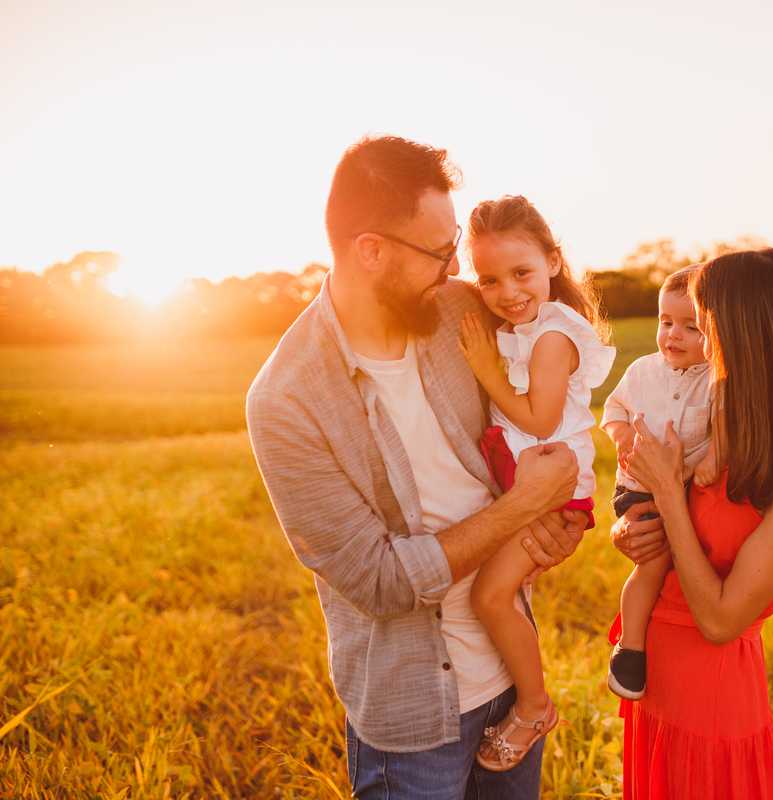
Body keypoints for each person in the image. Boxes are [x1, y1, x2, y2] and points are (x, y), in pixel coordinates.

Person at [246, 135, 587, 800]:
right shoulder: (286, 400)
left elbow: (547, 410)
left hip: (513, 678)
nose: (458, 265)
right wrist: (522, 507)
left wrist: (558, 524)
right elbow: (378, 583)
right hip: (411, 718)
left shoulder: (462, 312)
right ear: (370, 251)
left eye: (454, 239)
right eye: (439, 251)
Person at [611, 248, 773, 800]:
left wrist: (671, 494)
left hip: (712, 698)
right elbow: (668, 523)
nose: (691, 341)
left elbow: (721, 620)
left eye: (703, 325)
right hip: (654, 676)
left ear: (745, 332)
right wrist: (628, 534)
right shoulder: (715, 420)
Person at [456, 195, 616, 770]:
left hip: (552, 490)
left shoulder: (553, 335)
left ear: (552, 261)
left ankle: (533, 705)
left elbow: (538, 419)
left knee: (490, 596)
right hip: (530, 486)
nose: (507, 292)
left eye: (521, 272)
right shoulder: (523, 327)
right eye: (489, 279)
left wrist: (485, 373)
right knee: (503, 592)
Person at [599, 264, 723, 701]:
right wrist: (626, 436)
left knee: (690, 556)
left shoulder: (715, 381)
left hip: (685, 488)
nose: (674, 335)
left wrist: (711, 457)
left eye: (692, 327)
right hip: (637, 487)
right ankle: (629, 648)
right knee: (653, 562)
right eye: (666, 322)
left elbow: (724, 430)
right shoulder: (641, 371)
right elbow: (612, 412)